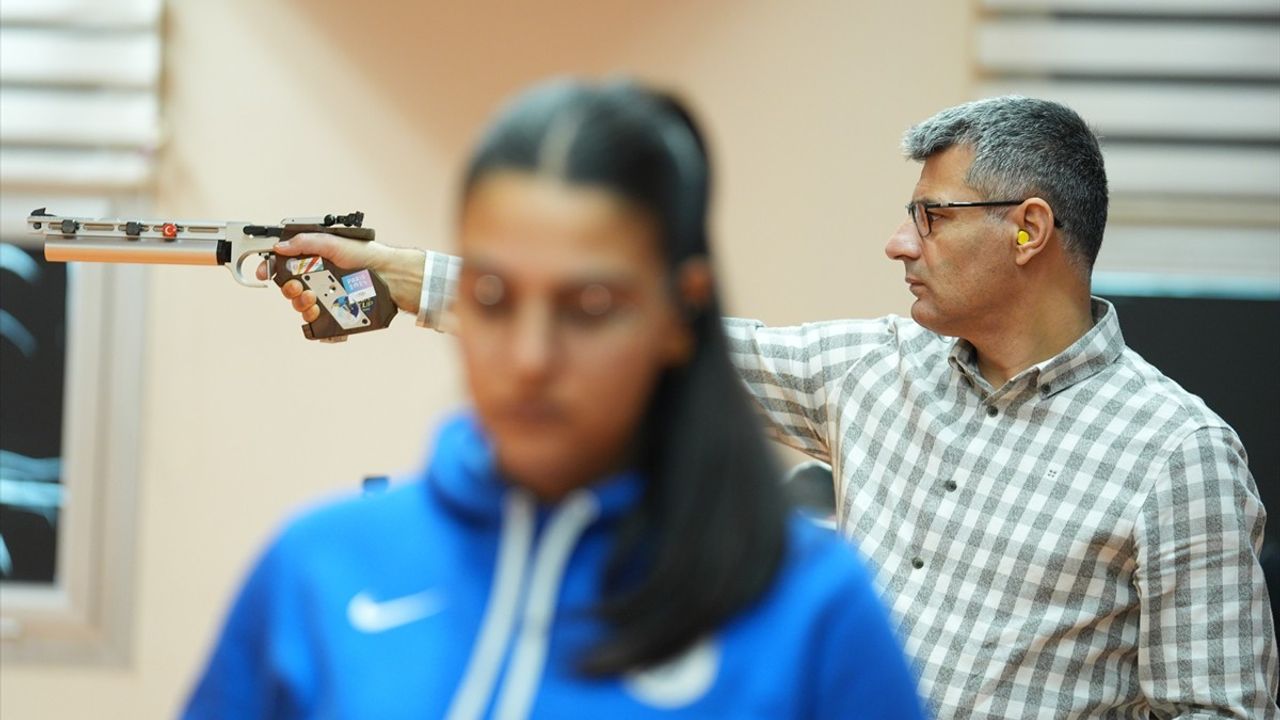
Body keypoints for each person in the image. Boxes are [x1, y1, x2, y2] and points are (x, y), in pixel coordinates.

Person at [273, 94, 1279, 717]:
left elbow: (1214, 714)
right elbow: (656, 343)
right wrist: (399, 279)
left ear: (1027, 230)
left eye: (930, 217)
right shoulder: (879, 367)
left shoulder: (1173, 453)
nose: (898, 242)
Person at [185, 79, 926, 719]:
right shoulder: (318, 569)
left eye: (591, 305)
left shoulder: (812, 609)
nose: (531, 359)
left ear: (680, 313)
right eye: (493, 297)